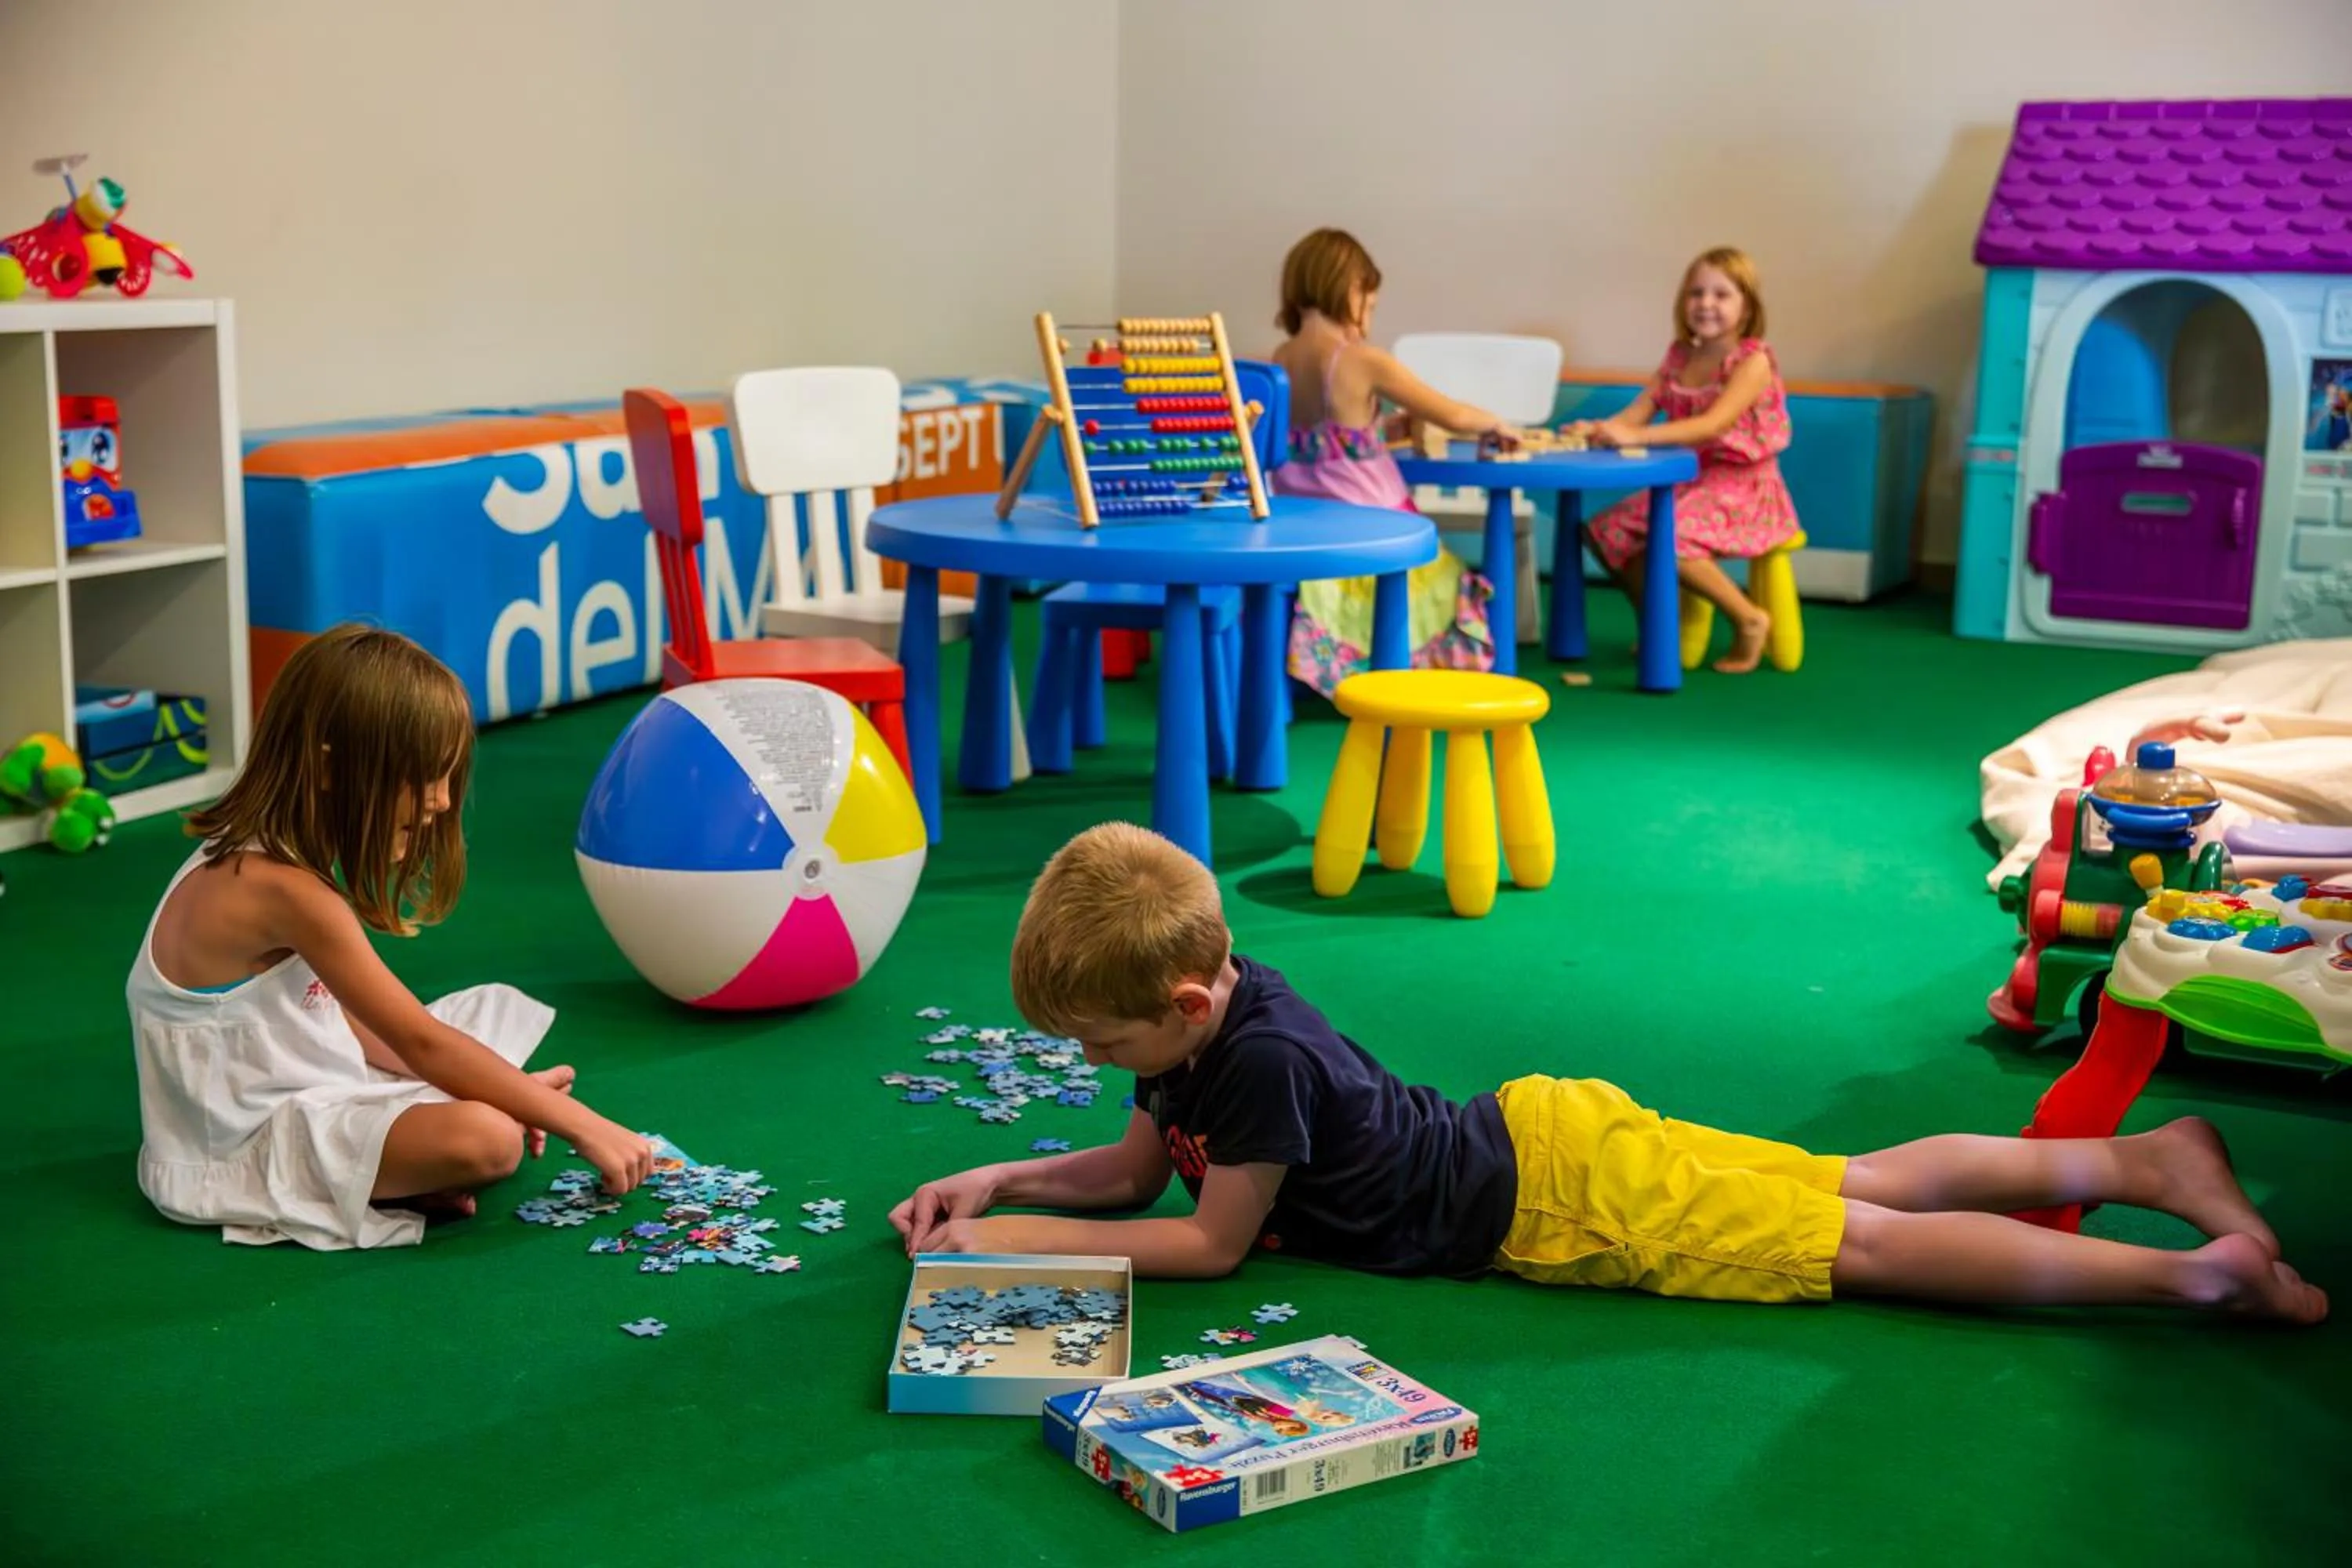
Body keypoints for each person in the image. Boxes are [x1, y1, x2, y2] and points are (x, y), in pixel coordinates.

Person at [889, 822, 2327, 1325]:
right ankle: (2142, 1164)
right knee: (1849, 1179)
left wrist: (1010, 1249)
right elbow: (1140, 1172)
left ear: (1186, 1001)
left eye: (1101, 1045)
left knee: (1861, 1244)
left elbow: (1204, 1243)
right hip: (1548, 1134)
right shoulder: (1195, 1031)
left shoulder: (1254, 1059)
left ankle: (2194, 1278)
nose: (1091, 1066)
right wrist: (1004, 1174)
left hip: (1561, 1204)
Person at [128, 622, 653, 1250]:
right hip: (240, 1150)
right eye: (422, 777)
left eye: (446, 777)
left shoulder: (269, 855)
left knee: (489, 1029)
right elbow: (420, 1041)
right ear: (330, 769)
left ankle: (411, 1156)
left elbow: (347, 1022)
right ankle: (392, 1171)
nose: (438, 801)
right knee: (488, 1138)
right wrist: (581, 1124)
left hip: (305, 1081)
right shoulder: (282, 890)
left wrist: (481, 1090)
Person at [1268, 227, 1522, 697]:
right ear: (1349, 291)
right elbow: (1452, 414)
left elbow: (1322, 445)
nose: (1368, 319)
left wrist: (1384, 431)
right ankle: (1401, 669)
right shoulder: (1362, 360)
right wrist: (1496, 424)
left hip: (1305, 529)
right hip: (1372, 526)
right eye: (1370, 304)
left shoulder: (1281, 359)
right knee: (1454, 579)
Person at [1570, 246, 1801, 674]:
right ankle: (1660, 622)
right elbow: (1640, 409)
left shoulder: (1752, 362)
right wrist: (1600, 430)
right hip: (1693, 482)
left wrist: (1634, 436)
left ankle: (1749, 619)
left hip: (1746, 488)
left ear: (1747, 305)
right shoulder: (1680, 355)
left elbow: (1712, 426)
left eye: (1722, 294)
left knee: (1666, 536)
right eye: (1696, 293)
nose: (1706, 304)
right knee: (1606, 532)